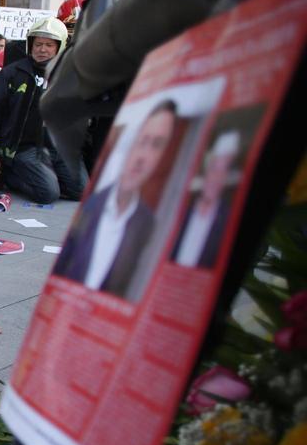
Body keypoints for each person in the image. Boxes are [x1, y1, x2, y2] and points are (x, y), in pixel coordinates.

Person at [52, 101, 177, 298]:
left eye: (156, 145)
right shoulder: (92, 207)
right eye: (142, 140)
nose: (142, 157)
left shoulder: (149, 226)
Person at [0, 17, 86, 204]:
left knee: (83, 192)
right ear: (30, 45)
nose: (42, 49)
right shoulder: (12, 74)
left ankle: (49, 177)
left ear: (59, 47)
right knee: (48, 195)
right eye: (38, 44)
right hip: (24, 148)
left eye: (48, 45)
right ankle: (9, 176)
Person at [172, 130, 240, 268]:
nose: (215, 178)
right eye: (214, 169)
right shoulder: (180, 211)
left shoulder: (229, 221)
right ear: (205, 170)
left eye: (223, 172)